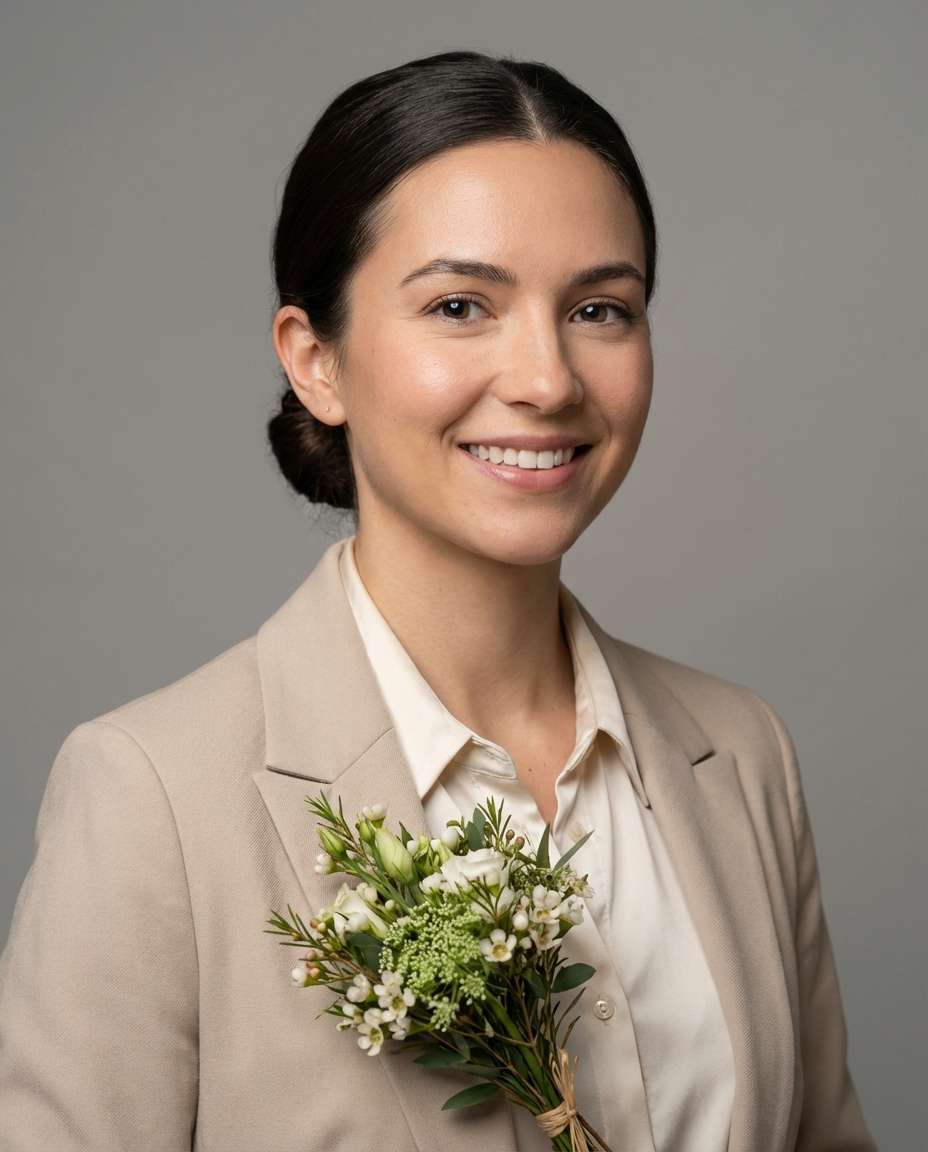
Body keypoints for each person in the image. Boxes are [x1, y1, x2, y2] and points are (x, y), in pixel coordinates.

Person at [0, 49, 877, 1152]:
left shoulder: (741, 754)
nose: (548, 379)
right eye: (461, 304)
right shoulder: (154, 801)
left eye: (601, 308)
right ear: (315, 359)